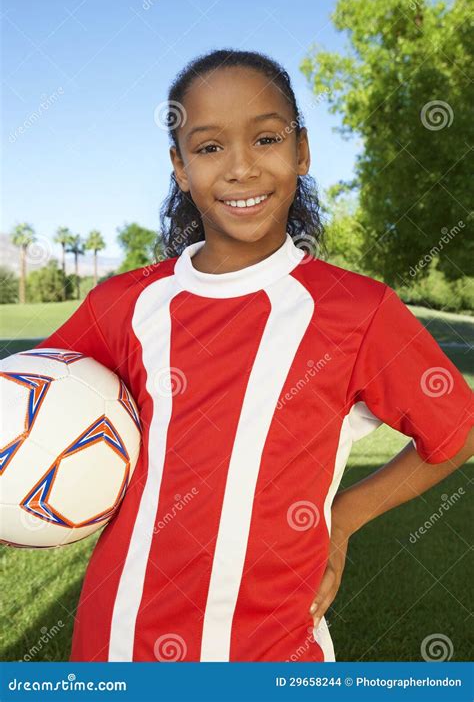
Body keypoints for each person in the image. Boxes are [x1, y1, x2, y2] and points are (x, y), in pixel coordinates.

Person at [37, 48, 473, 662]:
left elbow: (456, 430)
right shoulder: (124, 304)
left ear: (301, 151)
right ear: (180, 167)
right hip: (115, 642)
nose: (241, 168)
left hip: (273, 649)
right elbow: (25, 411)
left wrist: (342, 519)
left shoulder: (356, 309)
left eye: (266, 138)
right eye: (210, 147)